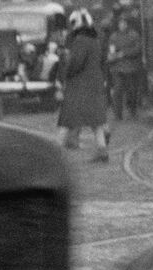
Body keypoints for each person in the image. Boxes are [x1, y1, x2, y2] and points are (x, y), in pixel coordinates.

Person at [57, 9, 110, 163]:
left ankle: (56, 153)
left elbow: (76, 64)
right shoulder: (95, 40)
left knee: (67, 120)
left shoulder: (80, 40)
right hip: (95, 83)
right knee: (96, 121)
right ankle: (102, 150)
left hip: (80, 85)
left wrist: (65, 69)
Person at [107, 17, 144, 120]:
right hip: (117, 68)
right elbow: (111, 49)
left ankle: (132, 110)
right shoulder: (113, 36)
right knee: (117, 91)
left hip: (131, 68)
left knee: (131, 91)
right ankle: (118, 114)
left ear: (127, 24)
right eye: (120, 24)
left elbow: (137, 49)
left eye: (124, 23)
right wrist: (112, 55)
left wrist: (123, 53)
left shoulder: (134, 35)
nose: (122, 26)